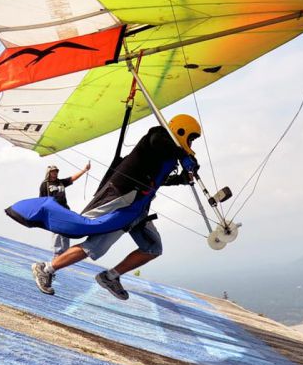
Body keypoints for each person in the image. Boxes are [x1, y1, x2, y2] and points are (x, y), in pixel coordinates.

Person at [31, 114, 200, 300]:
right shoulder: (157, 136)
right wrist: (183, 154)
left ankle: (110, 277)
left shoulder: (168, 156)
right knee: (95, 246)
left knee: (153, 247)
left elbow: (155, 178)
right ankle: (45, 269)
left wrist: (181, 178)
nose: (190, 144)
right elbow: (158, 142)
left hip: (137, 207)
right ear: (181, 131)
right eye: (190, 139)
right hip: (119, 200)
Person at [39, 162, 91, 254]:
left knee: (66, 229)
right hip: (54, 211)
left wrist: (84, 170)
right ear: (49, 173)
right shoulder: (45, 184)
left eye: (56, 172)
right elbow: (41, 200)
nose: (55, 173)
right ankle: (56, 253)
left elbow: (72, 178)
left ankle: (65, 253)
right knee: (57, 231)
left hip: (65, 209)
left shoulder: (60, 182)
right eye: (53, 172)